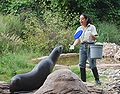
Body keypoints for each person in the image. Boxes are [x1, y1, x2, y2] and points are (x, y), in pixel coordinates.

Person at [70, 13, 101, 85]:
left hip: (90, 46)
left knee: (92, 63)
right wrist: (73, 45)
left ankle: (97, 80)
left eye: (82, 19)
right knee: (81, 64)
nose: (81, 20)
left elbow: (95, 38)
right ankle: (83, 82)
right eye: (80, 19)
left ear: (86, 19)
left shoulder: (92, 27)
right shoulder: (79, 28)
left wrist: (91, 34)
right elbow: (77, 39)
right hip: (82, 46)